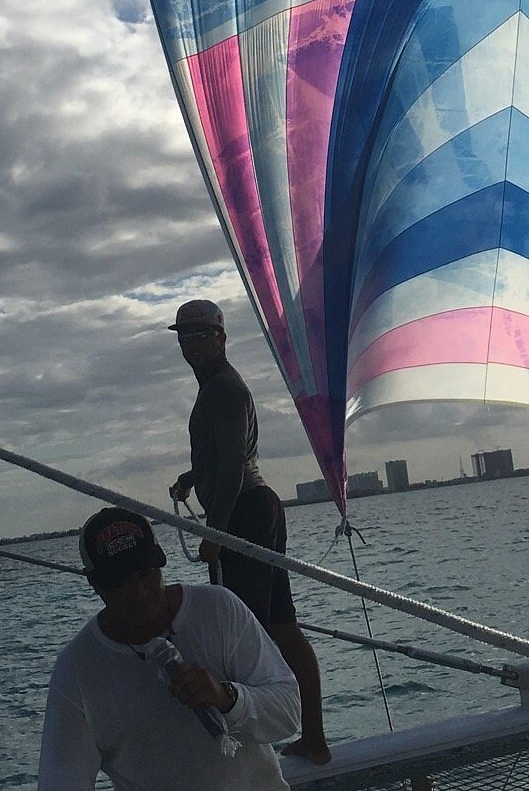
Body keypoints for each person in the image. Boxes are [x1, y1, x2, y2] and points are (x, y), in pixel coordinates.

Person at [166, 299, 331, 764]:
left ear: (221, 337)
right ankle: (312, 739)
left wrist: (216, 532)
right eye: (184, 336)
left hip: (247, 514)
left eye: (200, 335)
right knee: (282, 626)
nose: (191, 344)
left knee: (249, 634)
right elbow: (222, 455)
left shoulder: (223, 389)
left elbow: (236, 460)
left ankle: (256, 749)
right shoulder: (216, 388)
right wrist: (191, 479)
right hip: (254, 510)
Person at [37, 507, 300, 791]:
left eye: (145, 574)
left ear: (160, 564)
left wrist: (227, 697)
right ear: (94, 583)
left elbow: (288, 715)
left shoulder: (219, 609)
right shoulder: (76, 669)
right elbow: (62, 777)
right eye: (119, 583)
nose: (138, 592)